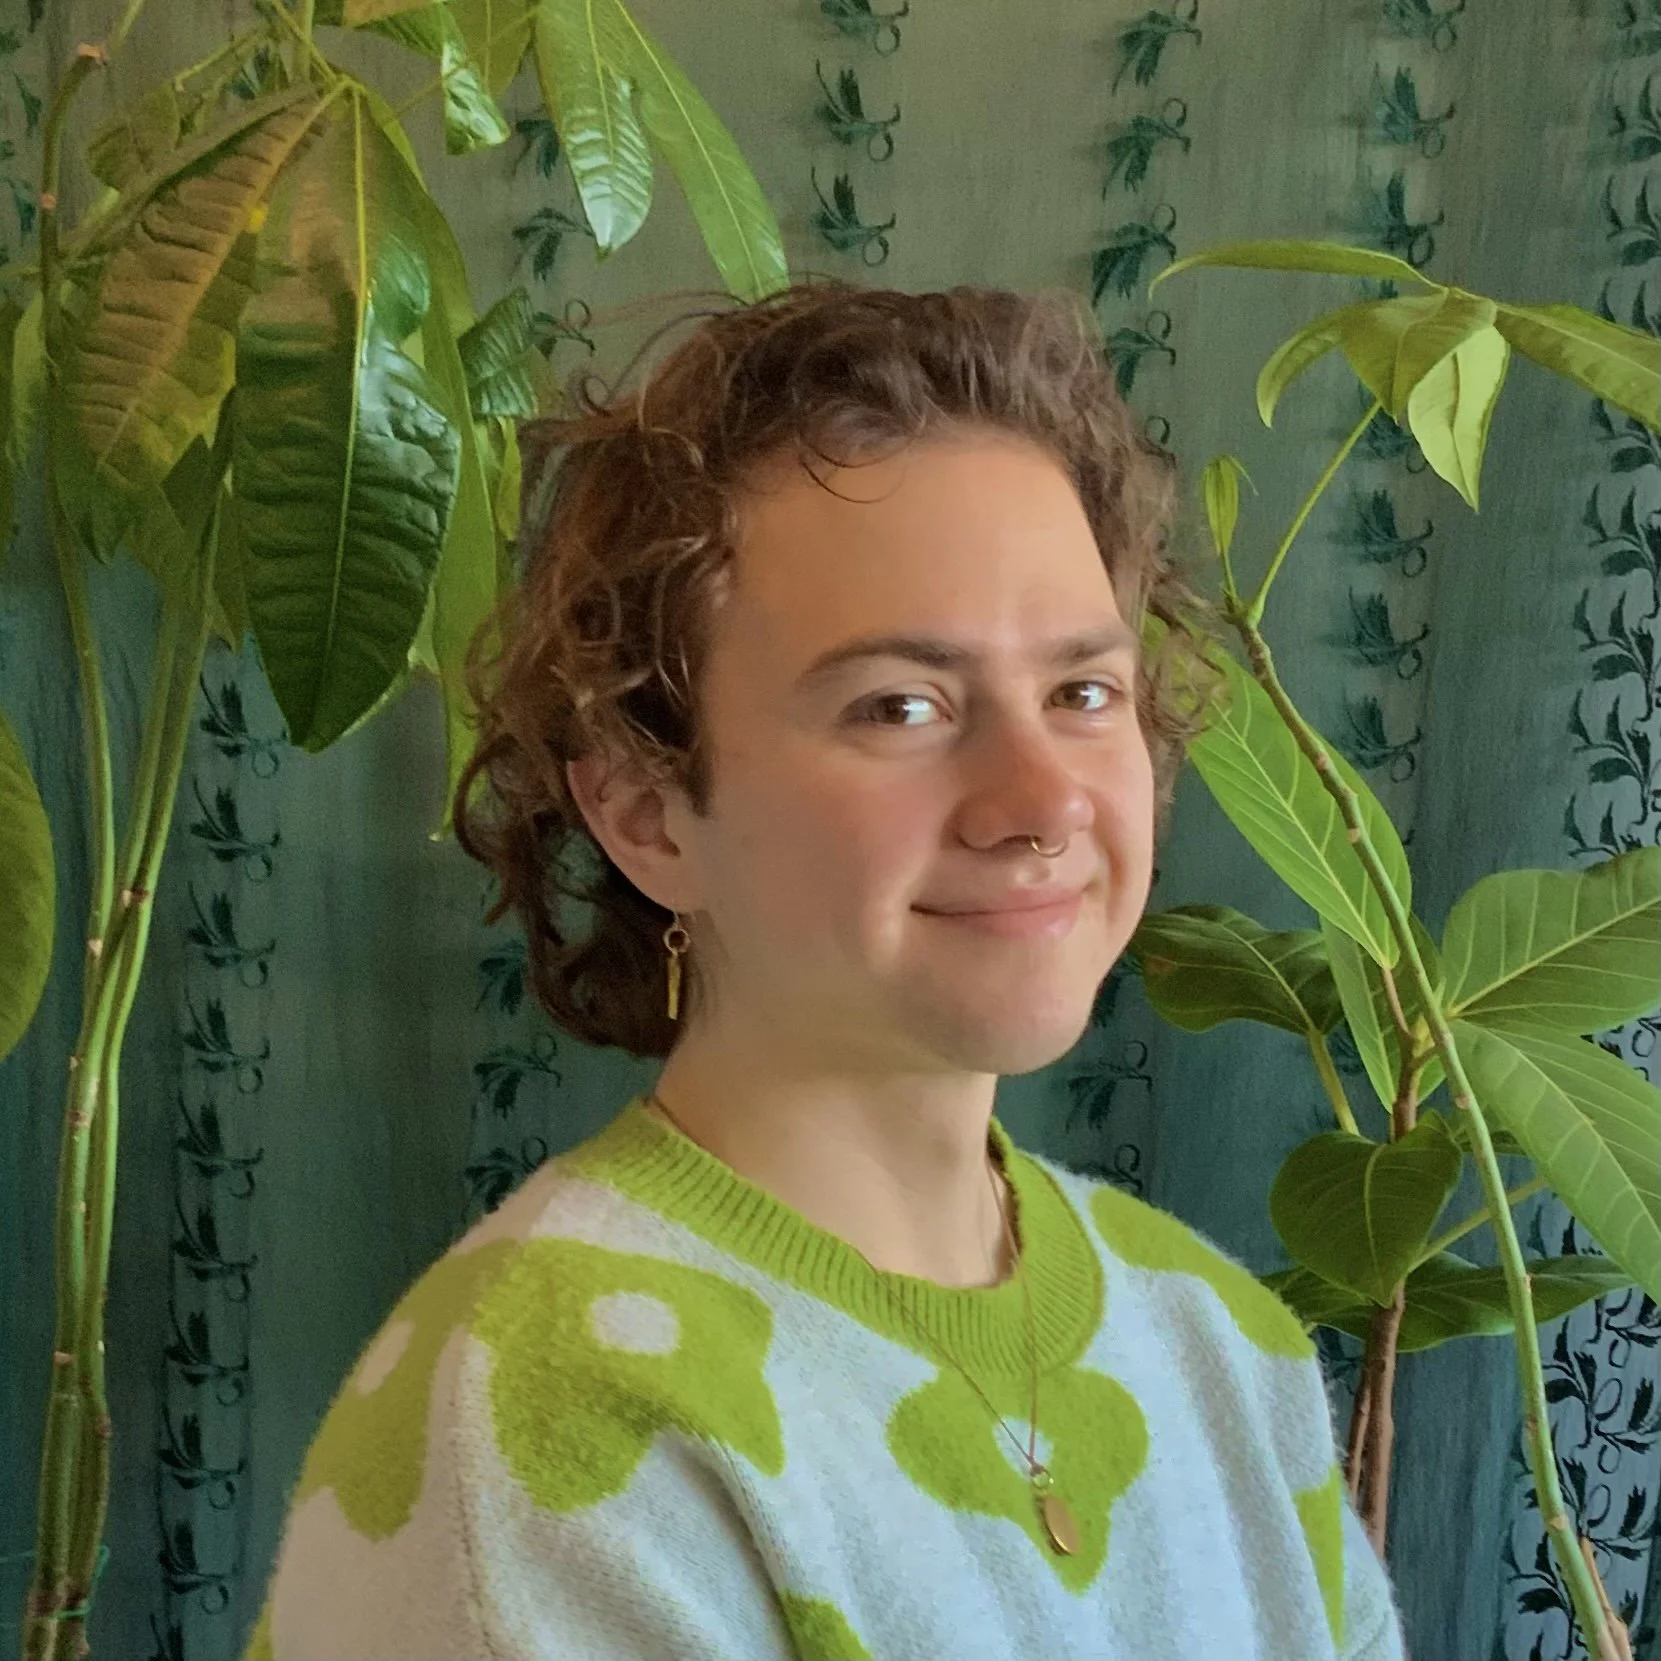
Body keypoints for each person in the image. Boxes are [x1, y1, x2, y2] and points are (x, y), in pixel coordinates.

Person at [246, 282, 1407, 1660]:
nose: (1039, 799)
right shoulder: (542, 1410)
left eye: (1081, 692)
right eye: (900, 706)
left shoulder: (1222, 1344)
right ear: (646, 811)